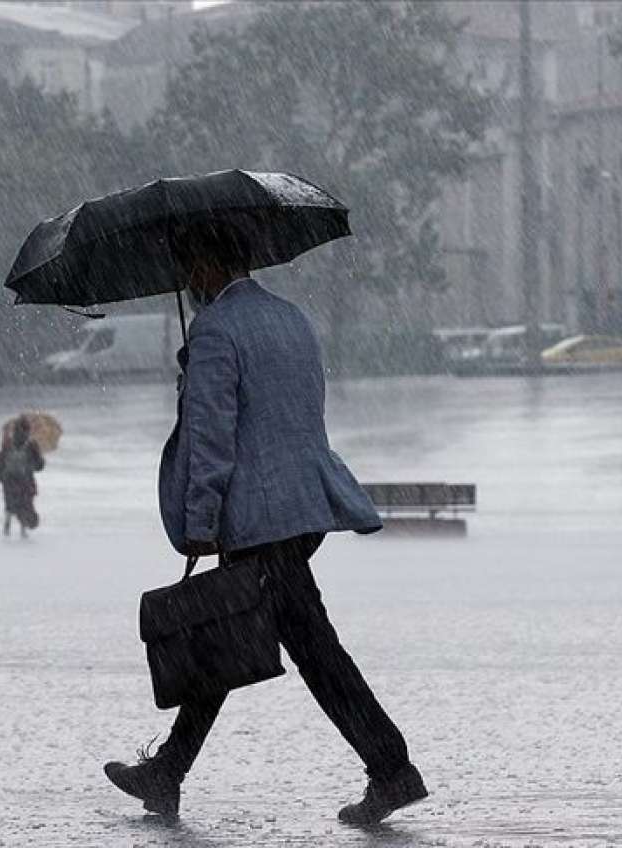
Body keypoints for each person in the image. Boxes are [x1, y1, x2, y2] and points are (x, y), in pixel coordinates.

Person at [103, 221, 426, 825]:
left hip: (256, 519)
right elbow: (290, 414)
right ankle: (168, 771)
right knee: (229, 634)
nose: (186, 282)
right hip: (301, 509)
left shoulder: (216, 329)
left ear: (205, 264)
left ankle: (392, 769)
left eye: (188, 268)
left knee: (306, 648)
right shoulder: (292, 318)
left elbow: (212, 439)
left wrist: (200, 520)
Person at [0, 416, 45, 538]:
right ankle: (20, 528)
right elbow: (39, 466)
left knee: (12, 504)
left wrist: (0, 476)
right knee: (23, 504)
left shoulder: (9, 443)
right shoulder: (30, 444)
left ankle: (9, 526)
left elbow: (1, 460)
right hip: (22, 479)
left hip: (12, 479)